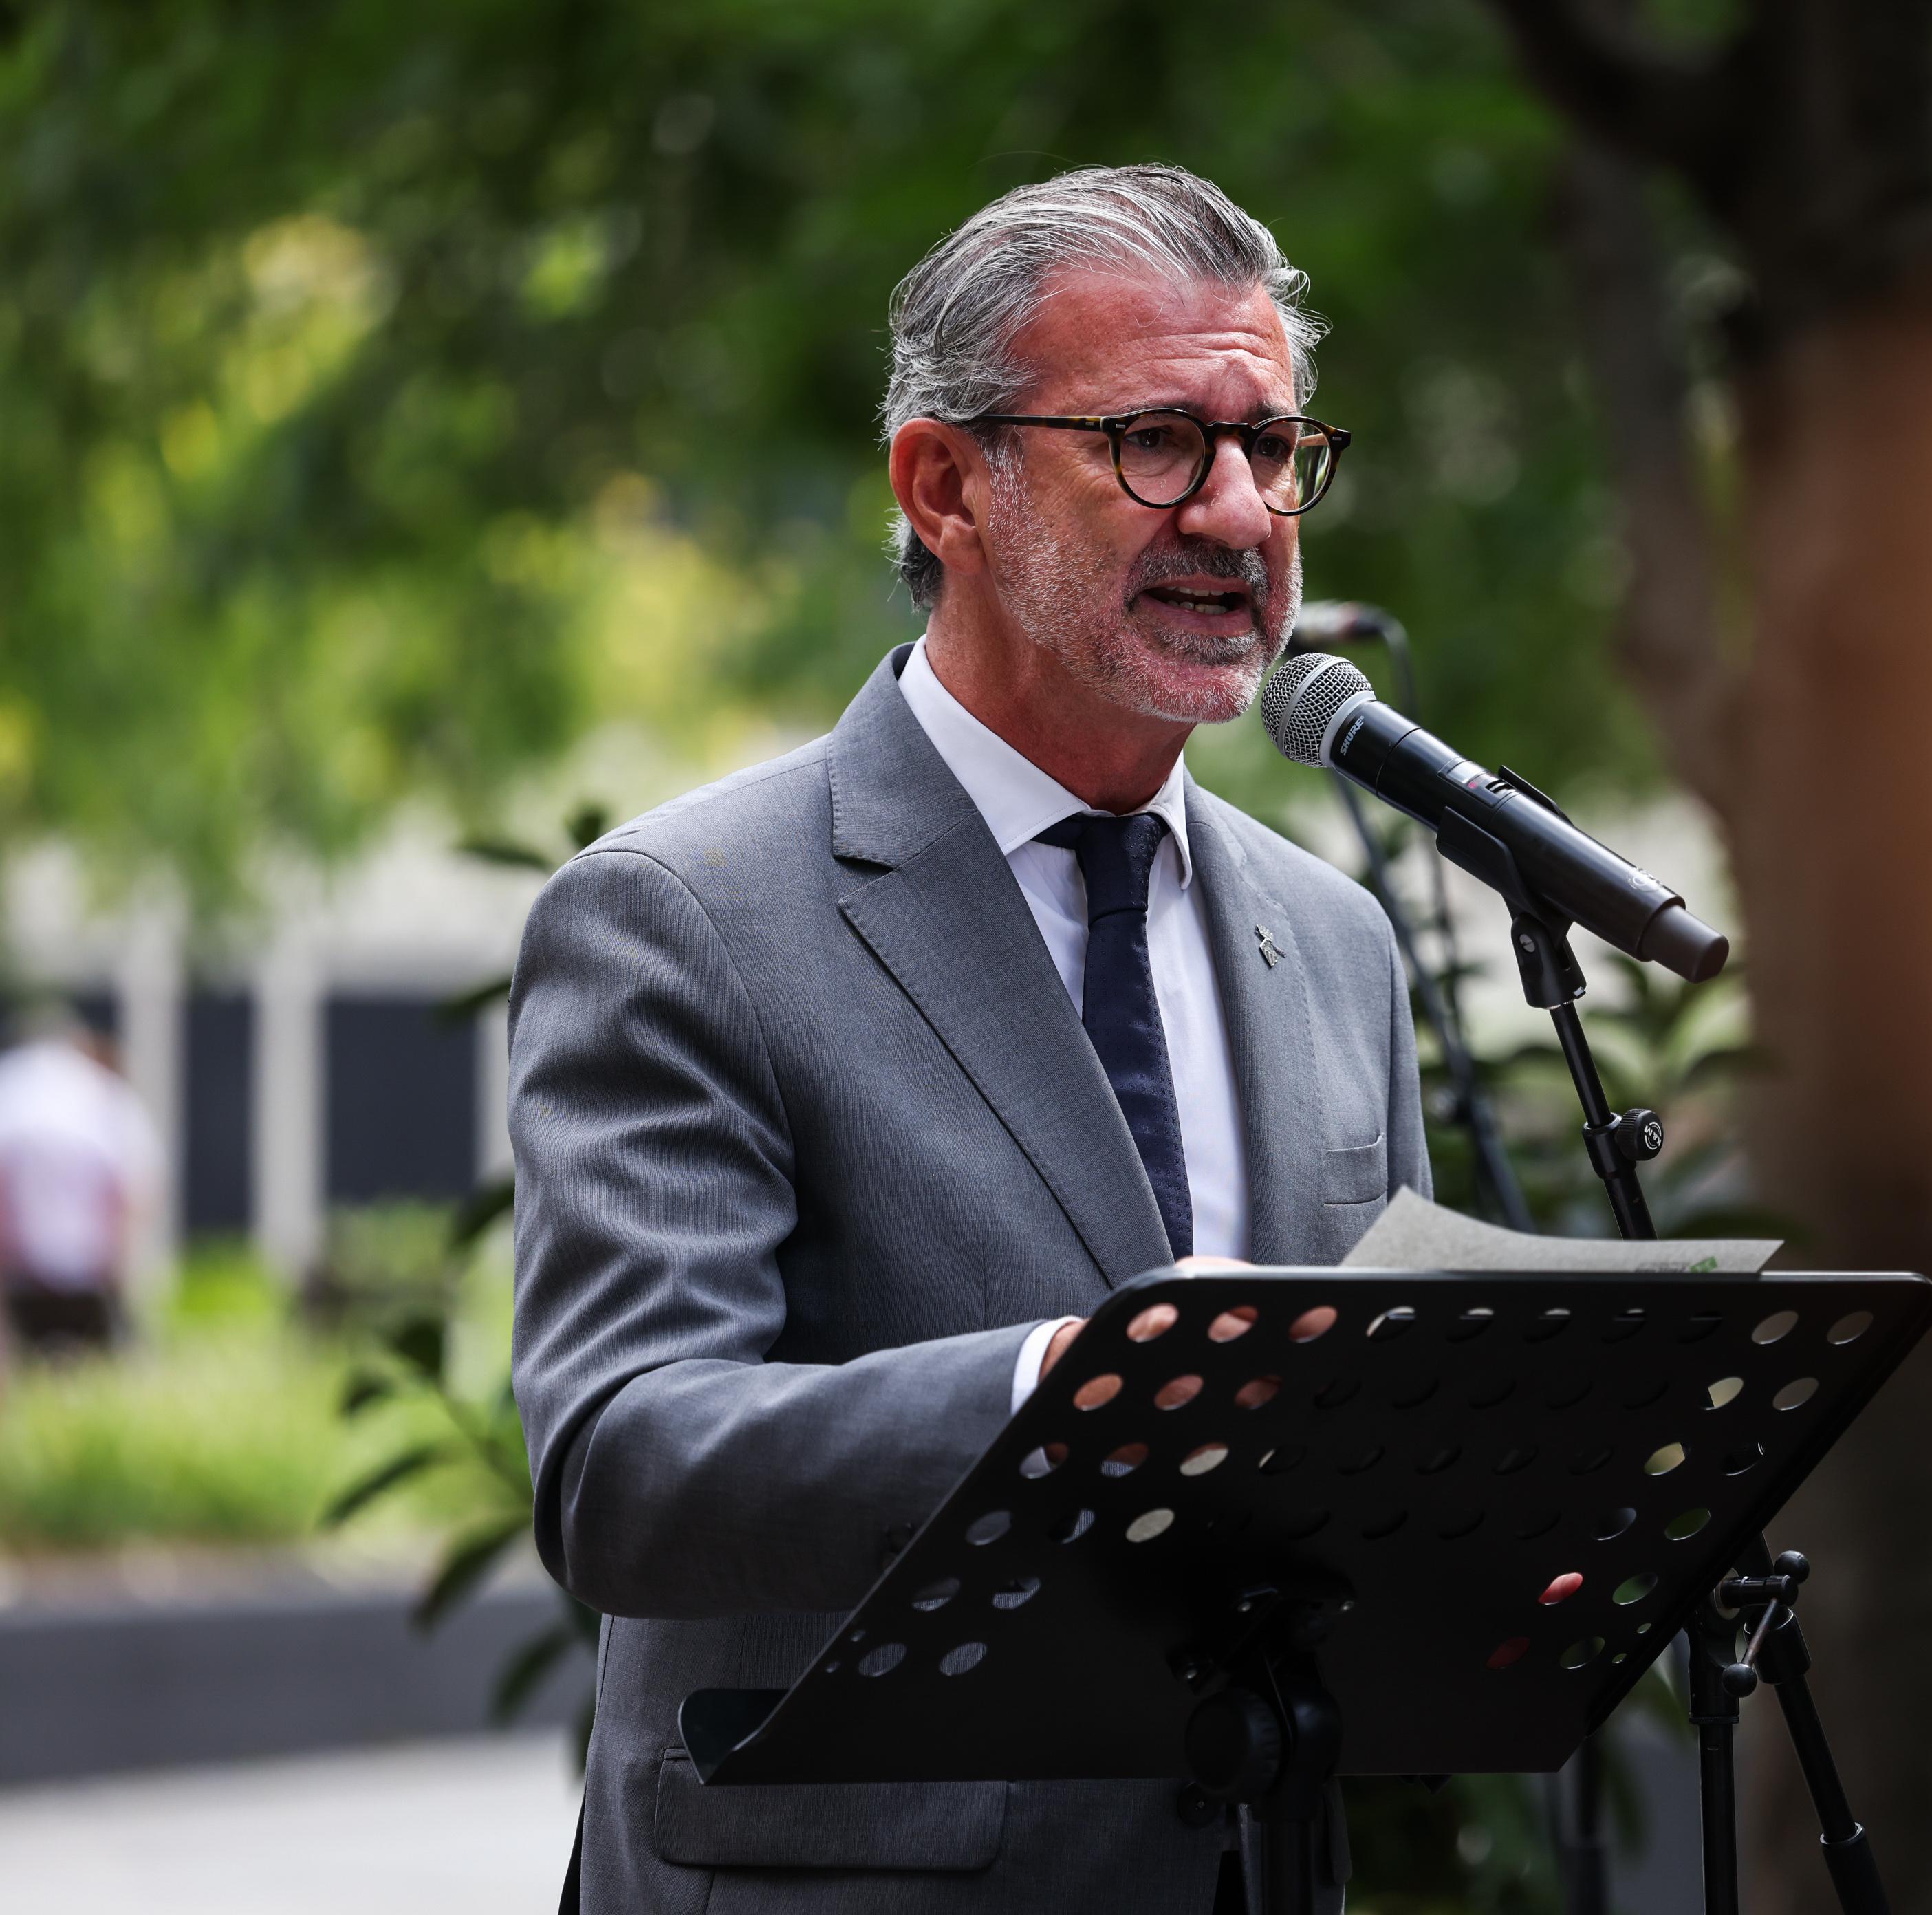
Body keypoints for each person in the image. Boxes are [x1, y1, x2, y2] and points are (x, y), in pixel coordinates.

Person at [508, 166, 1424, 1915]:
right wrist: (1062, 1389)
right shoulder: (683, 914)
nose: (1237, 513)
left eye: (1274, 448)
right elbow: (624, 1462)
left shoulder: (1334, 941)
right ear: (946, 486)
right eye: (1155, 441)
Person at [0, 1010, 160, 1356]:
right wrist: (124, 1272)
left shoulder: (10, 1087)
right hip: (90, 1274)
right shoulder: (104, 1095)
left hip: (17, 1273)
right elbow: (133, 1190)